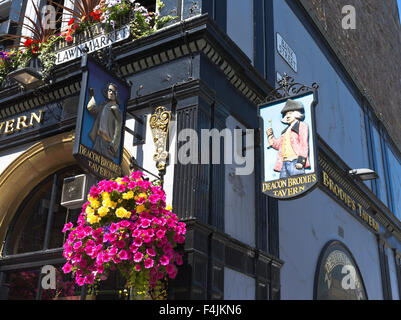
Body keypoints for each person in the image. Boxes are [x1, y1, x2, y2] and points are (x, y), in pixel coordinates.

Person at [266, 99, 310, 178]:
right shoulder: (285, 132)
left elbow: (304, 144)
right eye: (286, 114)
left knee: (298, 183)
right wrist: (270, 136)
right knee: (284, 185)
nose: (288, 116)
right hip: (284, 162)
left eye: (290, 113)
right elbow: (278, 145)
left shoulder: (302, 126)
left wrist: (301, 161)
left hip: (295, 161)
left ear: (297, 114)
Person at [87, 82, 122, 158]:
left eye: (113, 91)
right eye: (110, 90)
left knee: (106, 164)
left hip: (107, 143)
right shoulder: (103, 105)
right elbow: (93, 110)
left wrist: (114, 146)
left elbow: (118, 129)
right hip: (99, 139)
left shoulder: (116, 109)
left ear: (116, 94)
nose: (111, 93)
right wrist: (92, 96)